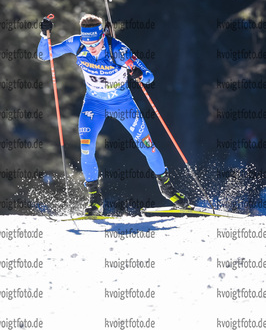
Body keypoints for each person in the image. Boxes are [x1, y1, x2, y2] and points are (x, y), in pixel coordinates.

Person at [37, 14, 189, 216]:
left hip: (123, 104)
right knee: (86, 148)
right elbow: (43, 55)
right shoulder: (76, 43)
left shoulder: (118, 50)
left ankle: (167, 188)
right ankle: (94, 197)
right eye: (86, 42)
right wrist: (44, 35)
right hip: (94, 104)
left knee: (147, 146)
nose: (90, 47)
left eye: (95, 42)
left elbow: (150, 77)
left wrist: (140, 74)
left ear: (103, 36)